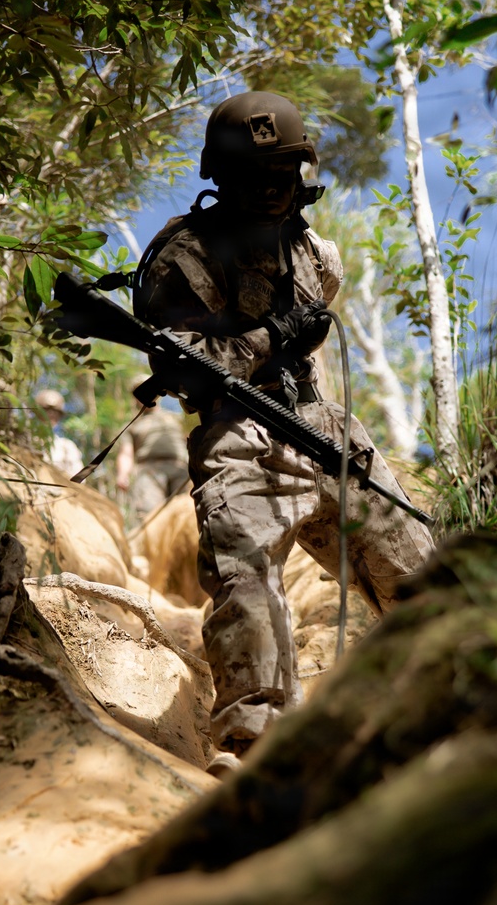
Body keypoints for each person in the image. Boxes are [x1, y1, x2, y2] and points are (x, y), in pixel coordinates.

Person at [136, 90, 434, 777]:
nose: (272, 190)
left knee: (417, 566)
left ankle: (462, 704)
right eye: (255, 176)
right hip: (239, 434)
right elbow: (184, 367)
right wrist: (272, 337)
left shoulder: (316, 255)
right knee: (246, 584)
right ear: (221, 175)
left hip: (324, 428)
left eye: (284, 174)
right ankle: (259, 748)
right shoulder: (182, 258)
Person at [115, 387, 189, 527]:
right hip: (148, 472)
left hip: (180, 469)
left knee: (186, 516)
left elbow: (189, 439)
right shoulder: (132, 425)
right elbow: (126, 453)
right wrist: (122, 475)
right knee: (149, 517)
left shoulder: (175, 417)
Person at [35, 387, 84, 479]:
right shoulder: (25, 439)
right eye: (47, 410)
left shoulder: (66, 446)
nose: (51, 414)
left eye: (55, 412)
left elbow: (79, 479)